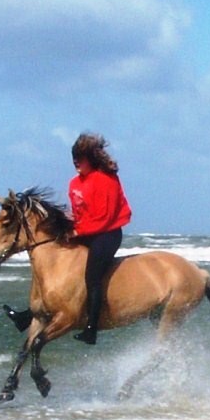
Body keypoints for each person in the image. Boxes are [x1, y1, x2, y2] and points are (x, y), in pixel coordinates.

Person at [66, 132, 132, 344]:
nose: (76, 161)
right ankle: (31, 313)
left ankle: (91, 329)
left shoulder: (106, 180)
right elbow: (80, 214)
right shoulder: (74, 183)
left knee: (92, 277)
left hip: (107, 234)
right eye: (74, 157)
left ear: (91, 159)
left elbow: (103, 217)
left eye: (80, 157)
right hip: (87, 231)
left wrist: (77, 231)